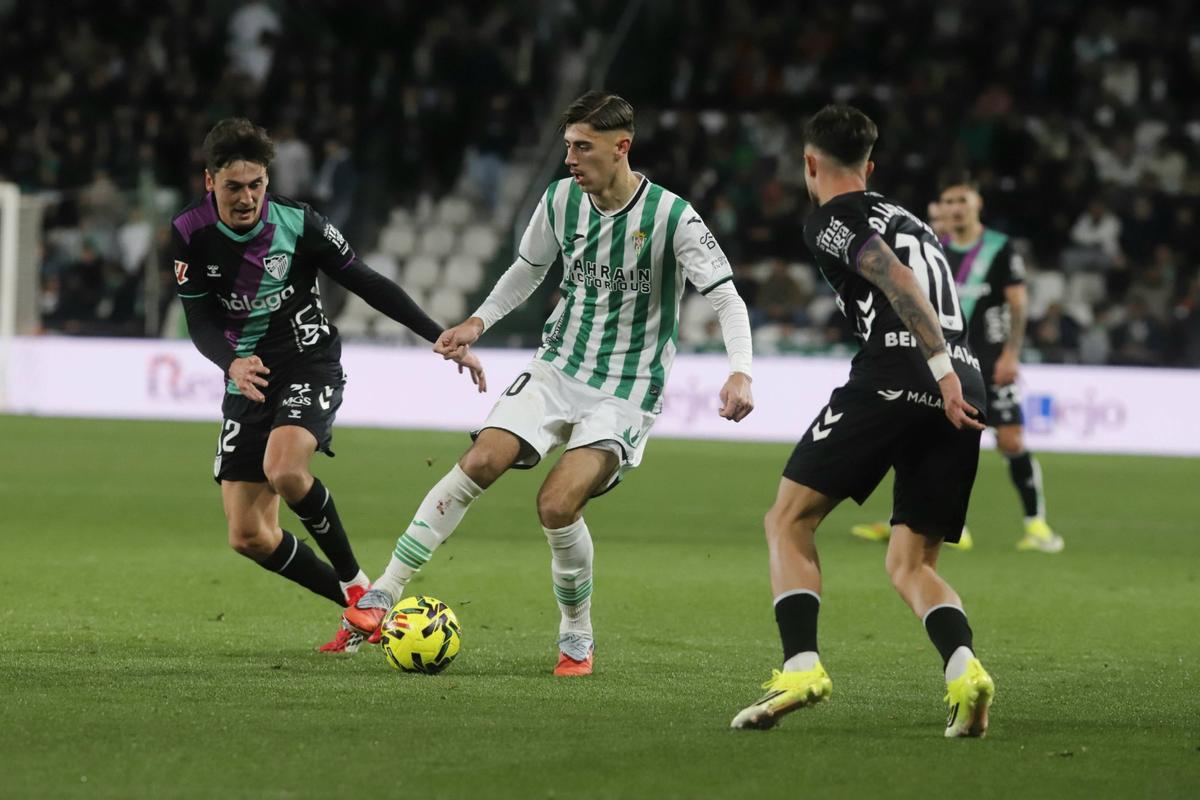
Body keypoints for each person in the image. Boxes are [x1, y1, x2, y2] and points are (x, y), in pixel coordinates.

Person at [340, 90, 755, 676]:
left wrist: (740, 369)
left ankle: (576, 635)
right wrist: (477, 321)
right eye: (567, 146)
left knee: (557, 504)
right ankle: (384, 590)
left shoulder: (672, 217)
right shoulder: (561, 200)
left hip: (626, 388)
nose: (570, 159)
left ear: (621, 148)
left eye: (582, 148)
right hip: (558, 365)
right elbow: (528, 269)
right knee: (483, 459)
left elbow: (726, 297)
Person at [170, 118, 484, 653]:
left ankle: (361, 589)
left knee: (285, 469)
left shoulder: (299, 223)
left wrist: (439, 335)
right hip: (247, 377)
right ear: (209, 182)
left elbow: (365, 281)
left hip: (306, 361)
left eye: (256, 185)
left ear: (267, 180)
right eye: (233, 187)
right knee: (248, 536)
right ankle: (357, 608)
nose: (246, 198)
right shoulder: (189, 233)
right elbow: (198, 320)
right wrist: (231, 364)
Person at [730, 105, 995, 737]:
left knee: (788, 519)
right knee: (912, 562)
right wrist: (952, 373)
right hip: (965, 381)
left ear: (810, 163)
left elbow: (895, 279)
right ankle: (965, 671)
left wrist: (937, 369)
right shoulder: (909, 218)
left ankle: (801, 668)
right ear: (870, 167)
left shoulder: (831, 218)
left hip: (905, 374)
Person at [851, 176, 1063, 552]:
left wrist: (1012, 353)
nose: (954, 208)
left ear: (977, 204)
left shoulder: (999, 248)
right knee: (920, 438)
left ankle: (1037, 526)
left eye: (961, 200)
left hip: (991, 360)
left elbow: (1017, 302)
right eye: (947, 201)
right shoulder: (935, 246)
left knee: (1010, 440)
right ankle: (923, 523)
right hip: (946, 361)